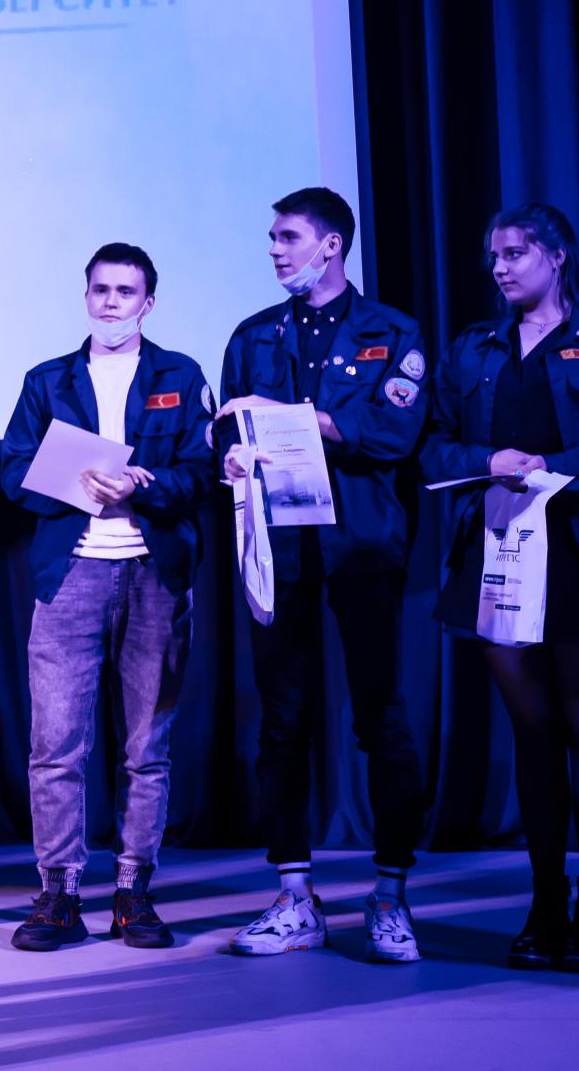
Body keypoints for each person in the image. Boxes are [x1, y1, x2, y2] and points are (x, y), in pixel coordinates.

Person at [421, 203, 579, 972]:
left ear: (557, 256)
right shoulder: (474, 347)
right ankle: (545, 900)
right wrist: (488, 461)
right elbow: (433, 444)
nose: (500, 267)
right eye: (494, 255)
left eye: (516, 253)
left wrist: (557, 469)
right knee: (533, 731)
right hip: (501, 554)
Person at [217, 187, 430, 962]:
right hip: (279, 547)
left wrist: (310, 423)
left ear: (332, 244)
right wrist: (231, 454)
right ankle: (294, 894)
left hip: (361, 543)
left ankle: (390, 893)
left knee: (381, 716)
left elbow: (397, 430)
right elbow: (225, 429)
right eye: (272, 238)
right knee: (282, 717)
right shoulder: (254, 335)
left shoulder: (391, 331)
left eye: (288, 237)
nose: (275, 250)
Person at [0, 244, 213, 951]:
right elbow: (11, 471)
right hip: (71, 573)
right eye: (101, 290)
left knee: (146, 746)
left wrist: (147, 484)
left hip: (154, 571)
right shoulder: (47, 380)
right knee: (56, 745)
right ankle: (59, 892)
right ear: (86, 296)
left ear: (148, 302)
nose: (111, 302)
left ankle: (132, 891)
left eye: (125, 291)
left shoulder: (180, 375)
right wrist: (76, 482)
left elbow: (202, 470)